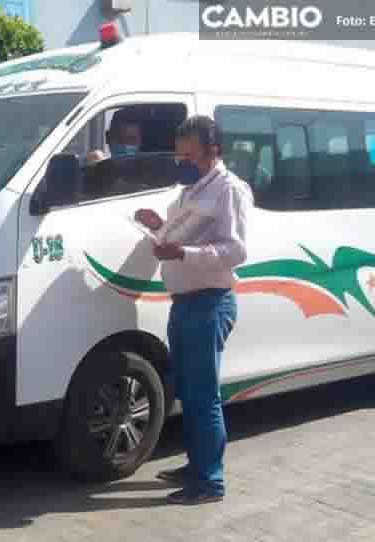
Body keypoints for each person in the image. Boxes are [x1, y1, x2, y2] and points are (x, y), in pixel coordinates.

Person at [134, 115, 253, 505]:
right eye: (179, 153)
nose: (182, 160)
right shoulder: (189, 190)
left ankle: (210, 482)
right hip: (184, 303)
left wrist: (183, 252)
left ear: (212, 150)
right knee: (187, 391)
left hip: (209, 303)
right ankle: (196, 465)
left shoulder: (228, 189)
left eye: (189, 154)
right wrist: (159, 226)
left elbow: (236, 251)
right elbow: (177, 235)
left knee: (204, 396)